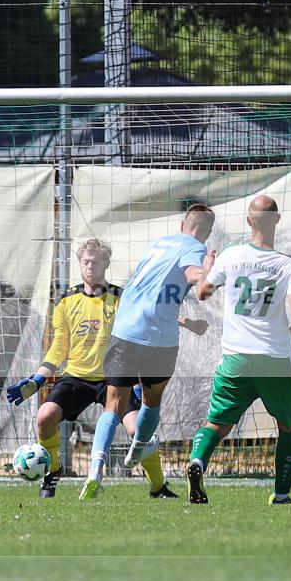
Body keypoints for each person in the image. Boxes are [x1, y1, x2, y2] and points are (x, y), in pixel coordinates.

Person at [6, 238, 205, 498]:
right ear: (79, 263)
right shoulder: (66, 301)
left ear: (106, 264)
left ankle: (158, 487)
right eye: (85, 261)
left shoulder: (122, 297)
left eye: (95, 262)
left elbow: (155, 313)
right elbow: (59, 347)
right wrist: (38, 379)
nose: (90, 266)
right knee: (45, 416)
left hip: (115, 377)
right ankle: (52, 471)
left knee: (139, 431)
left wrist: (189, 324)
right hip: (76, 377)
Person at [79, 205, 216, 500]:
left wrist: (187, 322)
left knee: (113, 406)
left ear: (182, 224)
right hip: (159, 339)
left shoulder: (159, 245)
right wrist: (208, 270)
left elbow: (150, 294)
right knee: (151, 402)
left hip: (126, 331)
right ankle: (138, 448)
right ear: (207, 233)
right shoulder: (196, 249)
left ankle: (95, 471)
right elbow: (193, 274)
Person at [187, 195, 291, 505]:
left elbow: (202, 292)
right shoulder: (289, 265)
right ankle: (282, 494)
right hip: (274, 360)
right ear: (277, 220)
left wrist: (207, 268)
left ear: (248, 221)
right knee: (289, 427)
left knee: (217, 424)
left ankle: (198, 461)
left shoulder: (231, 256)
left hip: (236, 359)